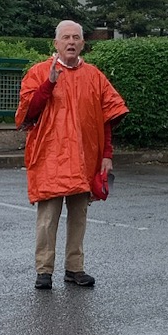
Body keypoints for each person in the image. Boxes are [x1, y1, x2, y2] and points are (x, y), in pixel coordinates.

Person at [15, 19, 127, 289]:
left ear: (83, 43)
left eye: (76, 37)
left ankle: (75, 268)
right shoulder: (39, 72)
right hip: (50, 157)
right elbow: (28, 113)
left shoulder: (95, 76)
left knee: (79, 217)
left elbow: (106, 119)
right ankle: (44, 270)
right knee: (47, 218)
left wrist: (107, 154)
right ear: (56, 43)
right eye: (66, 37)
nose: (71, 42)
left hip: (84, 158)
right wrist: (49, 84)